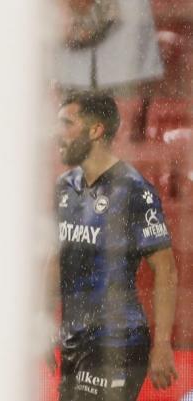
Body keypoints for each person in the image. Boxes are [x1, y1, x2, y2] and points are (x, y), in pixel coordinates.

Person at [49, 92, 178, 400]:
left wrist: (161, 344)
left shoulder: (134, 190)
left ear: (96, 130)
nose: (57, 133)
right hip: (73, 341)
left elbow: (166, 269)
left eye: (67, 123)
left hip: (117, 342)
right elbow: (54, 261)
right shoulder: (64, 187)